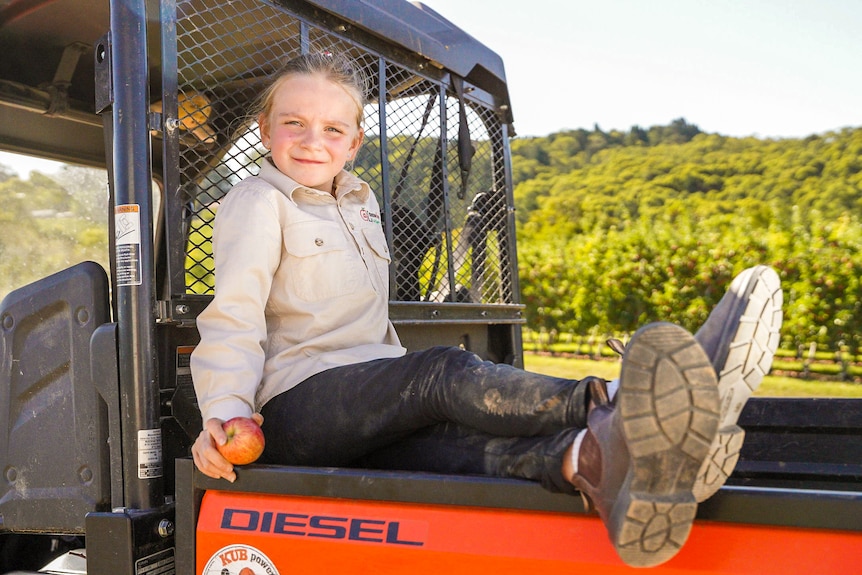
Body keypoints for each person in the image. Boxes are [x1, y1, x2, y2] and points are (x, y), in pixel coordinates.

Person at [190, 52, 782, 568]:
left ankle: (599, 464)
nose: (311, 139)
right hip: (298, 407)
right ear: (266, 130)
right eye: (293, 123)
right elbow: (233, 315)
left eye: (331, 127)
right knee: (440, 370)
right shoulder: (257, 202)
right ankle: (626, 404)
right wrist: (223, 411)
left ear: (354, 141)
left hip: (361, 397)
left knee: (453, 444)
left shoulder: (359, 203)